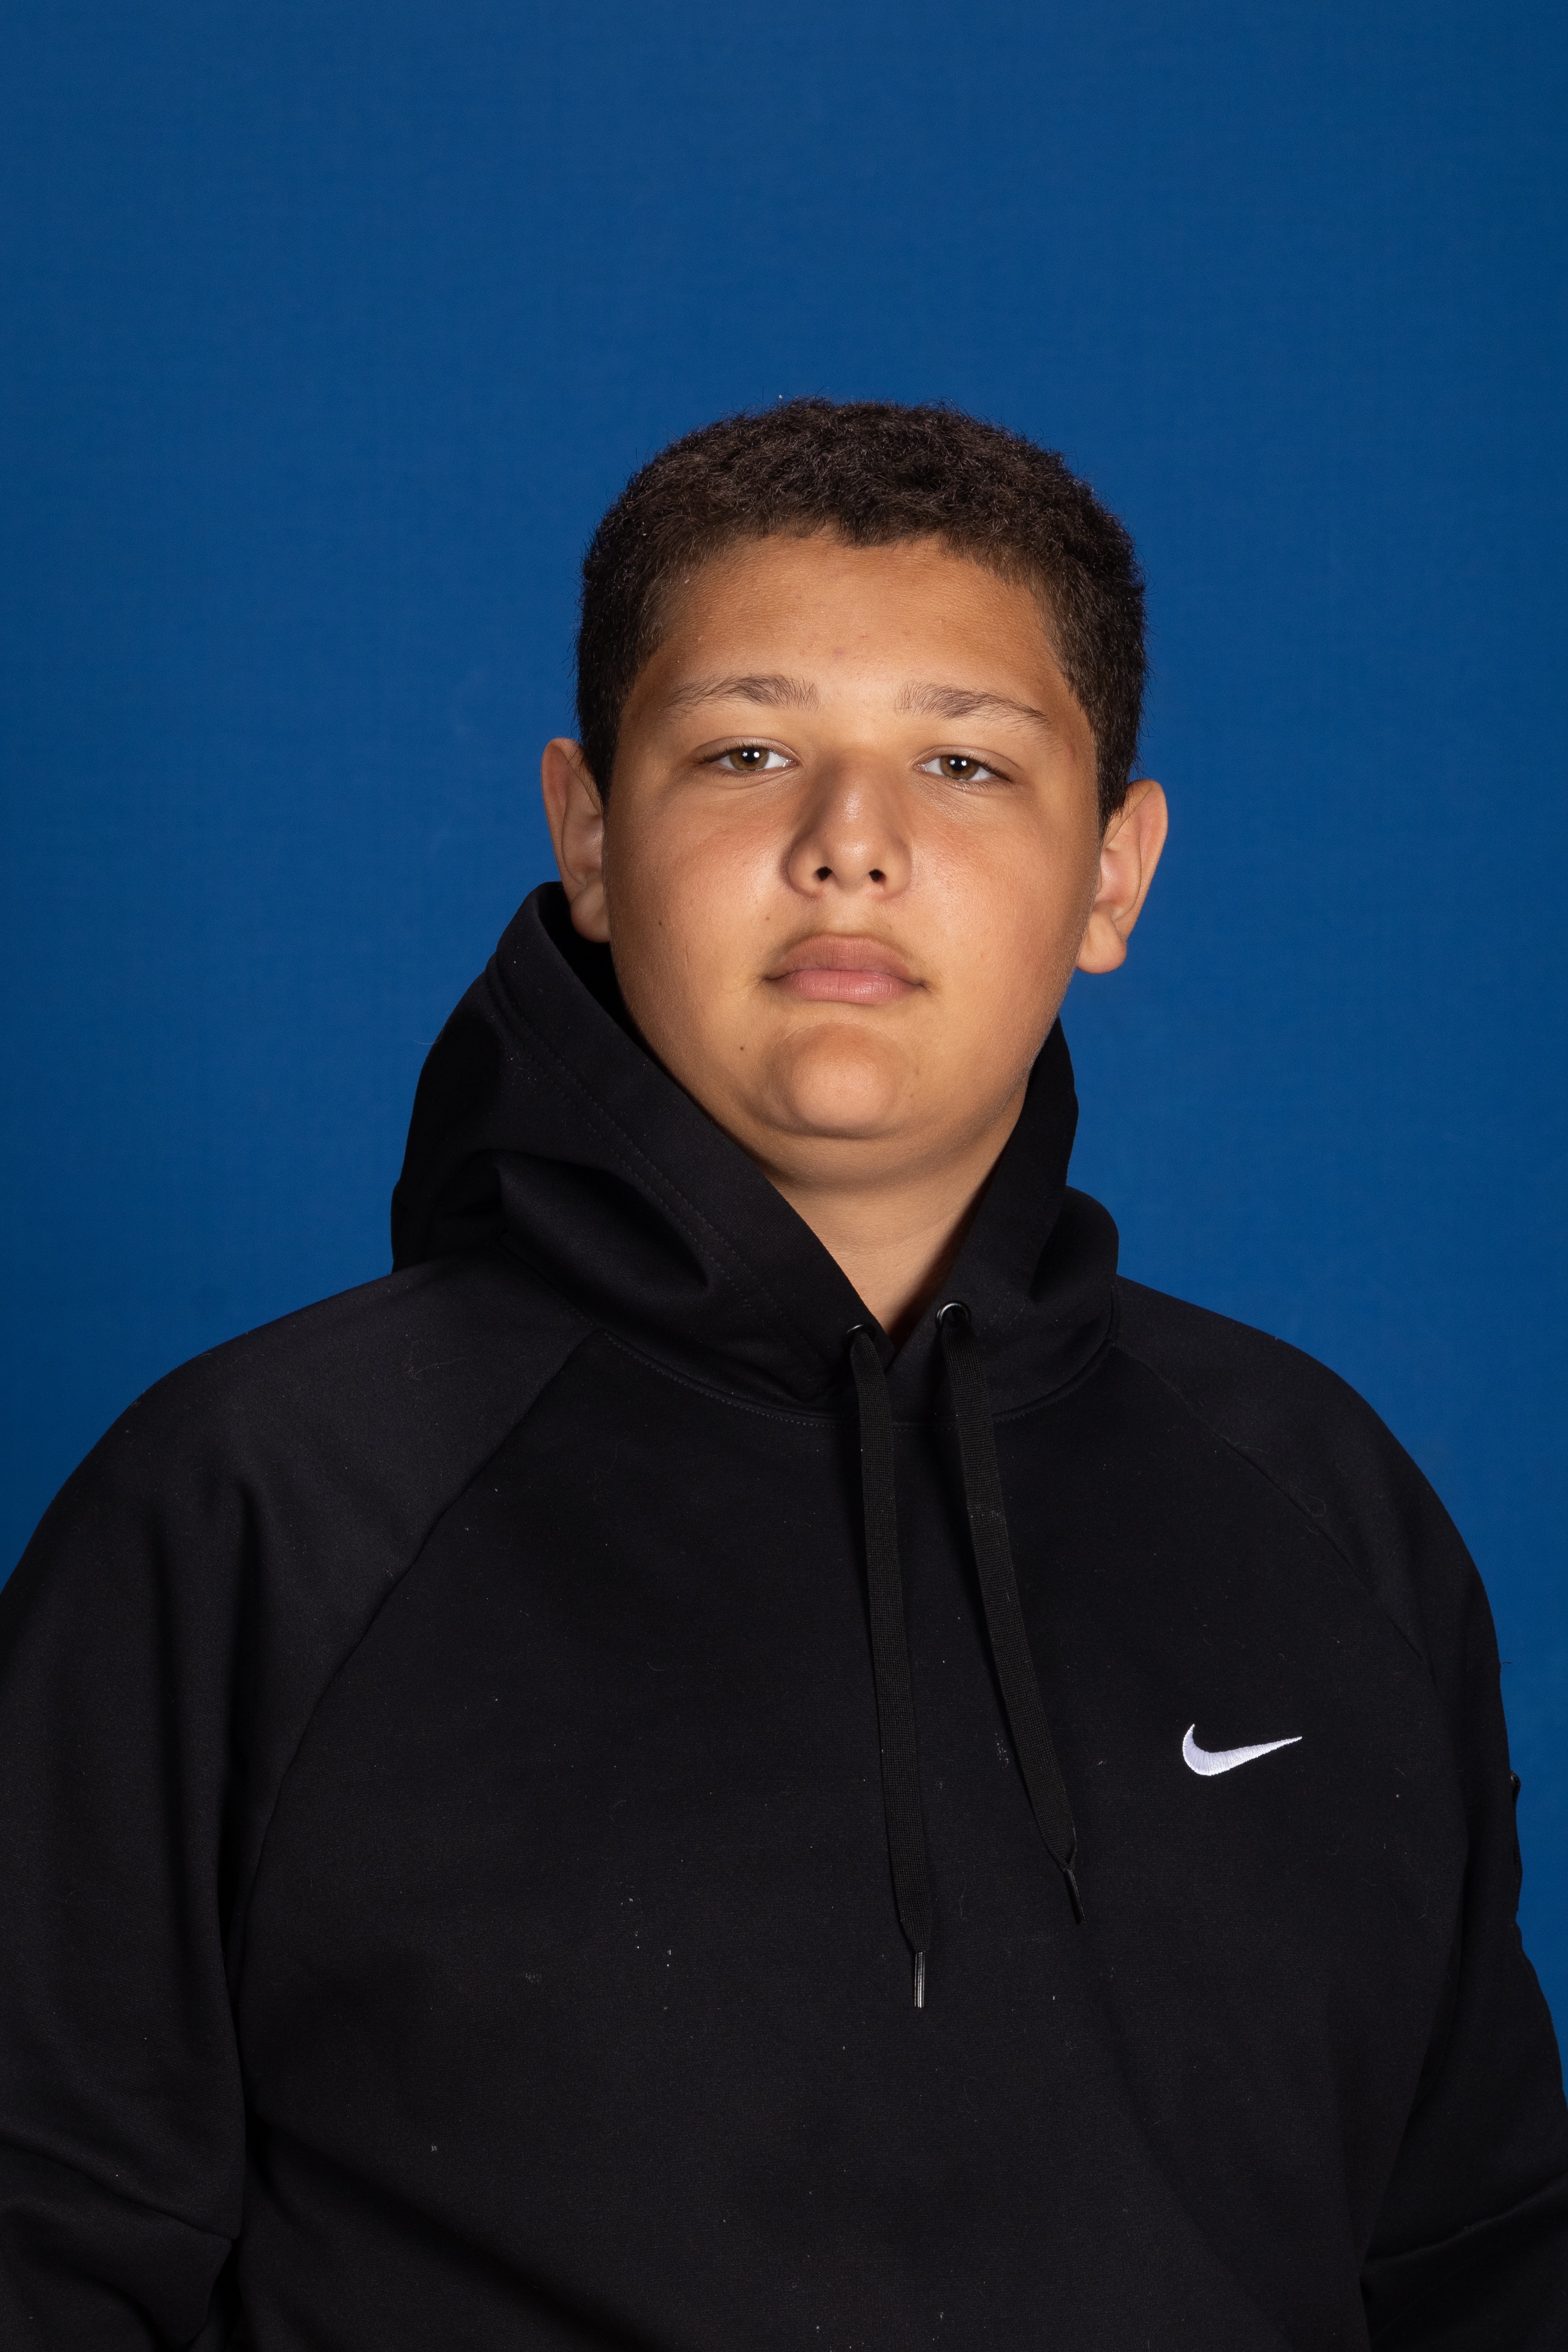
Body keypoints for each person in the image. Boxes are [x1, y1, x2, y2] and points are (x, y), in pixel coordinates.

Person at [1, 399, 1563, 2351]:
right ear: (589, 830)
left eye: (964, 761)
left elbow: (1482, 2253)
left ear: (1115, 870)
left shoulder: (1324, 1512)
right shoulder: (257, 1517)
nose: (852, 845)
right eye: (747, 751)